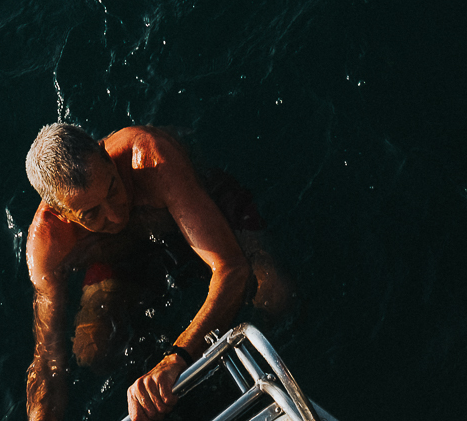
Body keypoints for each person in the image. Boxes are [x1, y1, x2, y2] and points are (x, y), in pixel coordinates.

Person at [24, 123, 292, 421]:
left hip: (203, 210)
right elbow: (46, 360)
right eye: (91, 214)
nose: (115, 214)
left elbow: (232, 269)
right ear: (60, 212)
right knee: (91, 349)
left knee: (273, 294)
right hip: (126, 257)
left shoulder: (150, 159)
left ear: (105, 155)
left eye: (112, 188)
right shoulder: (47, 243)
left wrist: (177, 358)